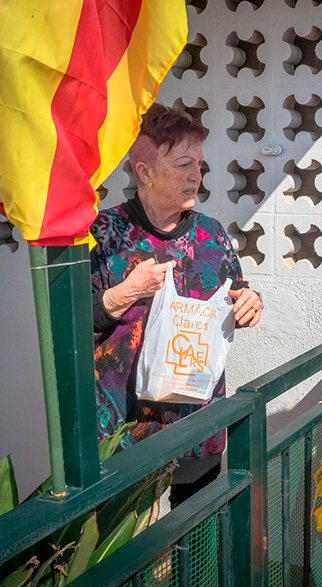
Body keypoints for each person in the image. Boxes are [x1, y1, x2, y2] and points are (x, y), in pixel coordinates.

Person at [90, 104, 262, 507]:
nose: (196, 176)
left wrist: (251, 302)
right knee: (127, 555)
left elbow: (238, 292)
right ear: (144, 171)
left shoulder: (211, 233)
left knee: (194, 550)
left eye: (199, 165)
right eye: (184, 164)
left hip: (197, 430)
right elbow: (77, 321)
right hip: (124, 434)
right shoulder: (106, 233)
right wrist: (126, 292)